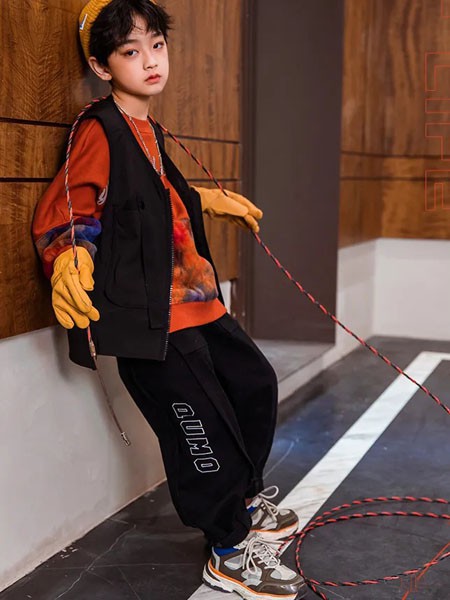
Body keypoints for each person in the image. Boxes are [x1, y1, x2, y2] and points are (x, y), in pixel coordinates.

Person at [32, 1, 307, 598]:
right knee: (201, 426)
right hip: (152, 317)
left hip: (198, 298)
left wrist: (206, 199)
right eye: (130, 52)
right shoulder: (99, 128)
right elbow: (72, 207)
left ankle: (244, 500)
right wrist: (69, 256)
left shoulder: (151, 130)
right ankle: (228, 549)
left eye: (156, 45)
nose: (150, 61)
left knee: (253, 385)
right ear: (101, 67)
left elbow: (154, 197)